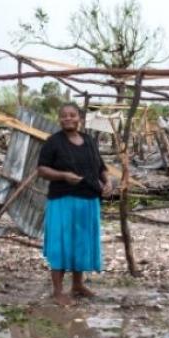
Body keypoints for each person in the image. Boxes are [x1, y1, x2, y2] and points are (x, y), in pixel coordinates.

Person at [37, 103, 112, 305]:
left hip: (88, 200)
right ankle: (58, 291)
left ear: (79, 117)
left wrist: (108, 181)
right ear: (59, 119)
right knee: (60, 243)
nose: (67, 118)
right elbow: (42, 170)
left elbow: (101, 166)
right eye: (63, 116)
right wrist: (62, 175)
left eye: (72, 115)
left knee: (81, 242)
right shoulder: (53, 142)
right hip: (63, 199)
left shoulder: (88, 140)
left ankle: (77, 285)